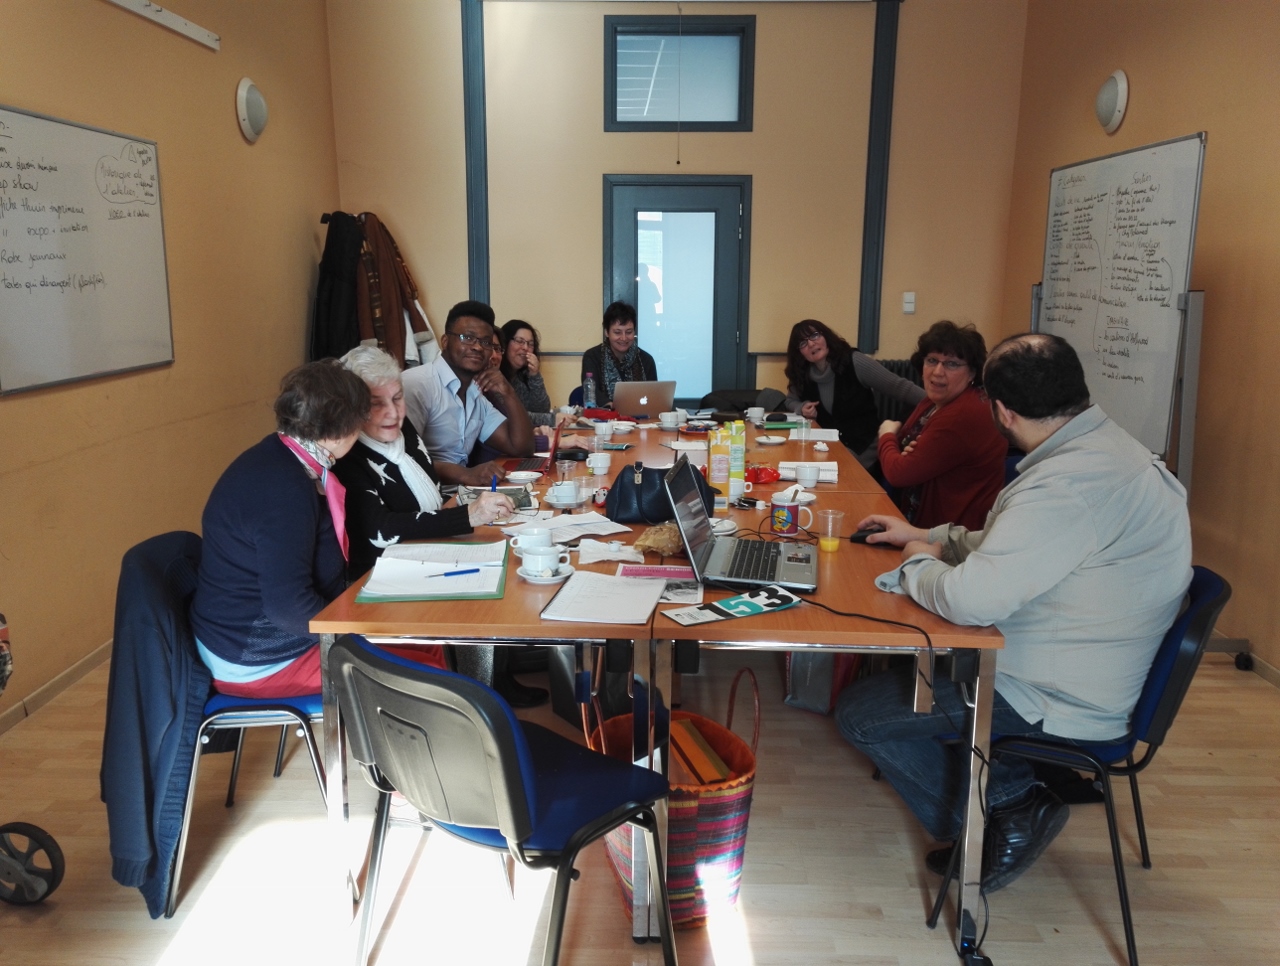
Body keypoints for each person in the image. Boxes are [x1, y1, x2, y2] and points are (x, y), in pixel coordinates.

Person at [835, 333, 1192, 892]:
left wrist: (915, 562)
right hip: (1090, 664)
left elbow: (970, 602)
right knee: (908, 679)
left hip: (1057, 697)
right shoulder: (1107, 449)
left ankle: (1011, 805)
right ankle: (1001, 804)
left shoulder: (1063, 487)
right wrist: (926, 535)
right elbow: (1014, 544)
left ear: (1001, 410)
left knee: (862, 714)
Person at [190, 361, 370, 697]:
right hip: (255, 659)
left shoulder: (280, 456)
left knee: (419, 645)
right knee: (414, 665)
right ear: (338, 433)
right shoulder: (285, 489)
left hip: (249, 636)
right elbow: (287, 607)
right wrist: (362, 632)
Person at [335, 346, 513, 579]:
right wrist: (469, 515)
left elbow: (430, 500)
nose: (393, 413)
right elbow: (381, 529)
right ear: (353, 407)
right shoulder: (345, 454)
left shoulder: (403, 429)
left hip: (429, 554)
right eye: (376, 403)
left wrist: (470, 506)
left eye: (397, 398)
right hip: (381, 575)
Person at [876, 321, 1008, 531]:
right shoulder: (934, 401)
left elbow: (898, 473)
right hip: (922, 523)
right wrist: (907, 451)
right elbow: (903, 447)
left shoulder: (964, 414)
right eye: (932, 360)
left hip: (949, 536)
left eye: (952, 364)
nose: (937, 372)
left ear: (972, 372)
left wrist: (886, 434)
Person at [401, 300, 534, 485]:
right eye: (467, 337)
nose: (477, 347)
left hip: (461, 494)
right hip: (425, 494)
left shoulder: (476, 394)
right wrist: (465, 474)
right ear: (445, 341)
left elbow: (521, 447)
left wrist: (509, 393)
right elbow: (404, 458)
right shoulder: (416, 384)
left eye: (486, 342)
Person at [783, 319, 925, 467]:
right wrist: (801, 407)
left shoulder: (855, 362)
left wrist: (937, 404)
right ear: (799, 353)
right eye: (803, 343)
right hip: (827, 446)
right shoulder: (802, 373)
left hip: (863, 447)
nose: (811, 344)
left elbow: (900, 387)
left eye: (814, 335)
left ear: (826, 336)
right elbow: (790, 401)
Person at [580, 301, 657, 406]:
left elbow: (654, 396)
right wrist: (613, 407)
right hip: (605, 414)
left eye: (629, 332)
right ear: (607, 332)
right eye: (617, 332)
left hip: (640, 414)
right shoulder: (592, 357)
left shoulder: (646, 360)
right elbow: (592, 392)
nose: (624, 338)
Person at [499, 319, 559, 429]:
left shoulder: (522, 375)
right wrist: (553, 419)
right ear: (505, 343)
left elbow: (542, 410)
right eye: (519, 341)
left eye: (530, 344)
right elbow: (509, 416)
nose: (525, 348)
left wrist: (535, 375)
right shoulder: (496, 376)